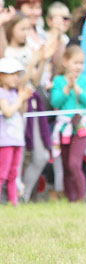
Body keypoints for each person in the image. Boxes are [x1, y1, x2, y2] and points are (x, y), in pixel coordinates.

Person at [50, 45, 86, 202]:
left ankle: (81, 196)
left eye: (81, 63)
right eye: (75, 62)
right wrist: (66, 88)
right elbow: (55, 101)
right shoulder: (58, 81)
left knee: (74, 163)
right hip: (64, 127)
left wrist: (76, 88)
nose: (78, 66)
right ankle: (71, 198)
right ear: (65, 62)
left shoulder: (85, 81)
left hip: (81, 127)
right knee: (65, 164)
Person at [0, 57, 33, 206]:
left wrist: (24, 99)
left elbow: (21, 112)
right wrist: (21, 99)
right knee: (2, 173)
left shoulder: (14, 93)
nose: (15, 78)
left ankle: (14, 202)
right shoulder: (2, 93)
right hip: (4, 140)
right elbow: (7, 112)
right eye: (11, 74)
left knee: (14, 173)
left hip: (16, 140)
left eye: (16, 74)